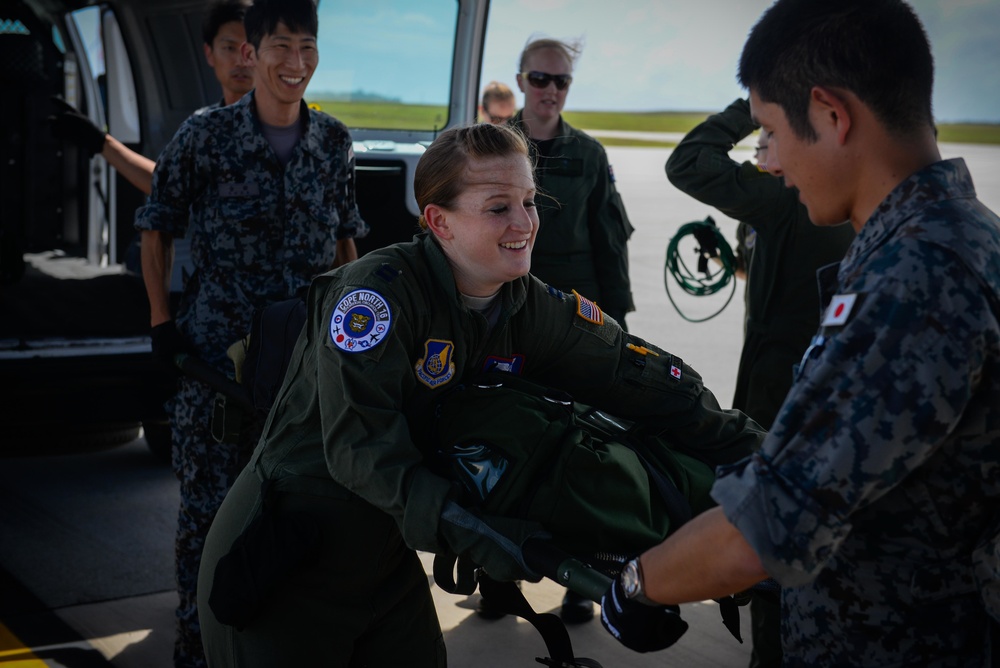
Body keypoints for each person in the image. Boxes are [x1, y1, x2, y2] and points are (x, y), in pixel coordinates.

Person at [196, 121, 765, 667]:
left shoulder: (521, 301)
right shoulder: (374, 298)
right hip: (286, 549)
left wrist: (762, 453)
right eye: (498, 207)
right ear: (439, 222)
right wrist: (491, 537)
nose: (525, 222)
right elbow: (362, 453)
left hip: (387, 545)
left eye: (530, 201)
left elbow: (633, 375)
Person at [599, 1, 1000, 665]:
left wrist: (638, 583)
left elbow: (762, 532)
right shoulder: (960, 234)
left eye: (772, 132)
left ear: (831, 115)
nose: (772, 162)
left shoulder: (911, 278)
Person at [134, 0, 367, 665]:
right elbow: (157, 225)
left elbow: (348, 240)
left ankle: (278, 644)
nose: (296, 64)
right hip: (217, 366)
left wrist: (358, 336)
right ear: (250, 53)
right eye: (281, 47)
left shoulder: (334, 142)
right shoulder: (204, 136)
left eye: (308, 49)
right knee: (208, 515)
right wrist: (162, 324)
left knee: (302, 505)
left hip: (303, 365)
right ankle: (197, 645)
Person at [665, 98, 855, 667]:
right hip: (798, 390)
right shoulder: (810, 205)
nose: (757, 152)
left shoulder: (783, 201)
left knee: (772, 539)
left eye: (766, 136)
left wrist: (751, 104)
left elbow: (690, 161)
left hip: (780, 399)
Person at [49, 0, 254, 196]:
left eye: (250, 49)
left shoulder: (281, 126)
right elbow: (167, 186)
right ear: (209, 53)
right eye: (229, 48)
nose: (240, 60)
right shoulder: (201, 125)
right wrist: (101, 142)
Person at [510, 36, 634, 334]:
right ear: (521, 81)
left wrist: (617, 313)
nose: (551, 89)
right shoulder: (491, 148)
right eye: (540, 79)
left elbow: (610, 240)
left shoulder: (589, 154)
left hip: (575, 299)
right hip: (508, 292)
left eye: (561, 81)